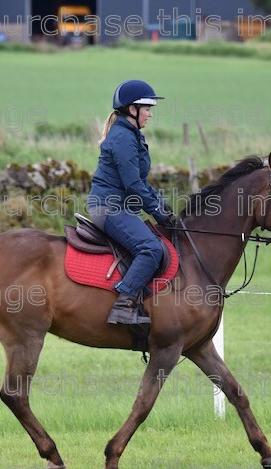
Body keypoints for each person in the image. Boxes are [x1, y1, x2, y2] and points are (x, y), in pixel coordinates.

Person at [87, 80, 177, 326]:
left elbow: (139, 181)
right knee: (151, 248)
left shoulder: (130, 134)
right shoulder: (123, 138)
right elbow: (133, 186)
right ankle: (124, 304)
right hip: (109, 208)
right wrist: (158, 213)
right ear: (131, 109)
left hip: (119, 207)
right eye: (146, 108)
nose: (150, 113)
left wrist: (162, 206)